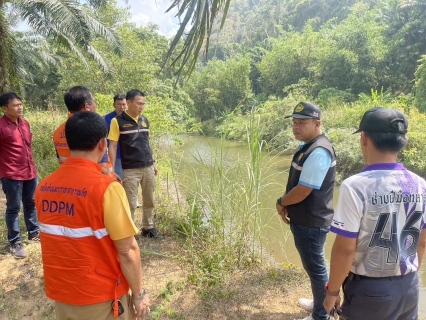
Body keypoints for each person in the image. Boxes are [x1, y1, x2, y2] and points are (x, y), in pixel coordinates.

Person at [35, 111, 150, 319]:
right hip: (102, 297)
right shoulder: (107, 188)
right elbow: (127, 250)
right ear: (102, 144)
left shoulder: (44, 187)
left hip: (62, 295)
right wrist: (139, 295)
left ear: (69, 143)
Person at [323, 107, 426, 320]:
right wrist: (408, 277)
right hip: (409, 286)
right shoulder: (420, 185)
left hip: (370, 293)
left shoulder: (356, 187)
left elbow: (344, 250)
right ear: (403, 141)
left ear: (364, 138)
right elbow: (421, 242)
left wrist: (332, 292)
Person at [276, 102, 336, 320]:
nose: (296, 127)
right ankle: (320, 302)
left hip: (312, 222)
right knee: (314, 266)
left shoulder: (319, 151)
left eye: (302, 122)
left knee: (316, 267)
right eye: (294, 123)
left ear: (317, 123)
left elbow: (303, 191)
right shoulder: (308, 146)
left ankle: (321, 314)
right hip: (306, 220)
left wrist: (281, 201)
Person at [108, 89, 162, 239]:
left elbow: (147, 143)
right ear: (129, 103)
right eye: (139, 103)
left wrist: (154, 163)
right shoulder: (117, 121)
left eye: (143, 104)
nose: (141, 107)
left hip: (148, 166)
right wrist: (111, 169)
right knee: (131, 202)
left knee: (149, 199)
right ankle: (130, 231)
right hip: (131, 169)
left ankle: (148, 227)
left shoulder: (144, 120)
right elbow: (112, 145)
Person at [0, 92, 39, 259]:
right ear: (4, 108)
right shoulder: (1, 126)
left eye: (20, 104)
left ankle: (34, 233)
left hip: (30, 171)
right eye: (15, 105)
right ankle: (15, 241)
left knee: (31, 203)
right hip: (11, 174)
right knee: (14, 208)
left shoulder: (25, 124)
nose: (20, 107)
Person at [53, 86, 116, 179]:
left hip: (70, 181)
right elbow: (103, 168)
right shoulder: (92, 129)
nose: (96, 106)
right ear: (87, 107)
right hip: (95, 184)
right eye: (94, 102)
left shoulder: (58, 131)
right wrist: (112, 183)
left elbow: (61, 160)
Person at [104, 94, 127, 179]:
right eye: (119, 104)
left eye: (124, 104)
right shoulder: (106, 119)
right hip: (116, 157)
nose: (122, 107)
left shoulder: (130, 119)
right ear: (114, 105)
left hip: (130, 157)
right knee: (117, 181)